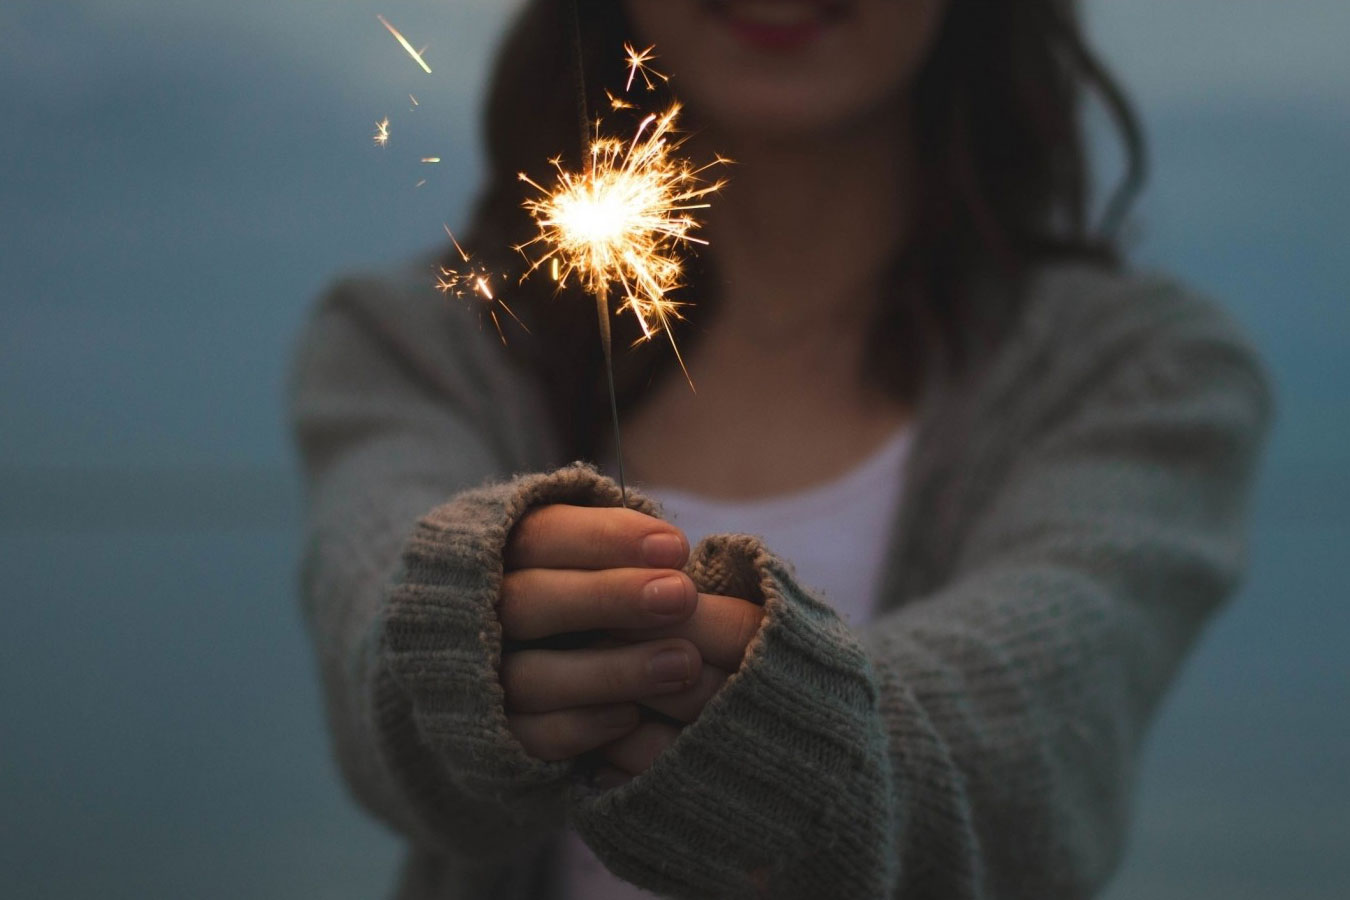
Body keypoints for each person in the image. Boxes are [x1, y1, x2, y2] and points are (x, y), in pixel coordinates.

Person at [289, 1, 1273, 897]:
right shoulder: (421, 343)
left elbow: (1042, 730)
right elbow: (376, 620)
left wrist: (792, 734)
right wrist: (463, 635)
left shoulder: (1137, 373)